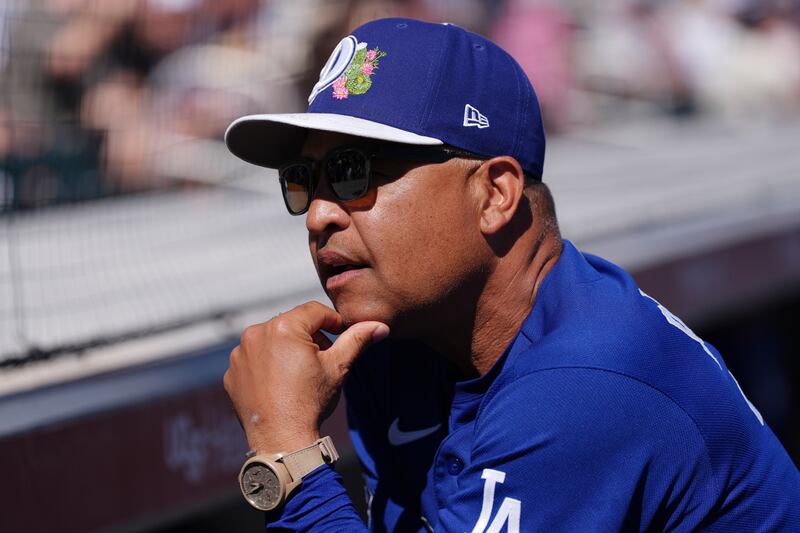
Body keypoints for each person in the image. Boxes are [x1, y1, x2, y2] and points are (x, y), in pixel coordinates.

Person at [222, 18, 800, 532]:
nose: (318, 214)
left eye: (354, 171)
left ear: (495, 194)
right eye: (304, 180)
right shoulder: (399, 343)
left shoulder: (585, 381)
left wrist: (287, 451)